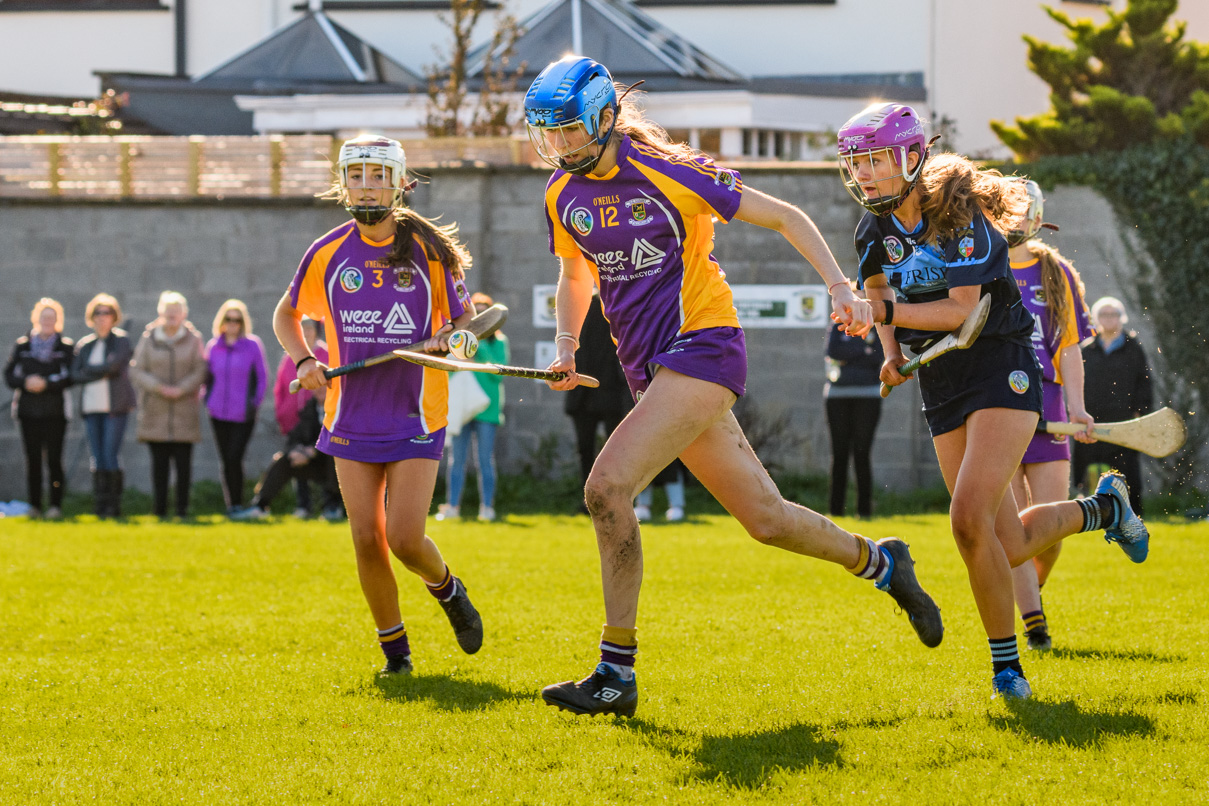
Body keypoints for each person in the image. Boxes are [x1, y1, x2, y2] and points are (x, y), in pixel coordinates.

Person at [526, 56, 943, 719]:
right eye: (548, 134)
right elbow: (576, 276)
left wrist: (839, 286)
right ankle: (882, 562)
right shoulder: (560, 194)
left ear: (606, 118)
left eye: (570, 130)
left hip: (703, 348)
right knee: (766, 520)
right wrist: (567, 346)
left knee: (605, 489)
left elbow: (786, 217)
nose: (560, 146)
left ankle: (615, 671)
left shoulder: (669, 172)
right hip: (649, 370)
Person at [837, 101, 1149, 700]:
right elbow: (875, 288)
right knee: (1003, 542)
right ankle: (1105, 510)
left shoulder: (957, 216)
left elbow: (960, 310)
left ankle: (1006, 669)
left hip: (999, 366)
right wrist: (891, 350)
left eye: (876, 160)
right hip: (941, 378)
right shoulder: (872, 230)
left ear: (908, 157)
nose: (867, 174)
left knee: (965, 519)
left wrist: (879, 313)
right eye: (858, 163)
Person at [276, 134, 483, 677]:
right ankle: (396, 656)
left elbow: (466, 325)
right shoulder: (326, 252)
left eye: (378, 175)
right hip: (350, 414)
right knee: (367, 539)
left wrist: (452, 339)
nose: (366, 185)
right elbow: (286, 316)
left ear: (399, 183)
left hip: (416, 412)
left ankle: (448, 588)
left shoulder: (430, 253)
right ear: (342, 182)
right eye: (357, 174)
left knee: (405, 537)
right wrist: (303, 362)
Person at [1003, 182, 1097, 652]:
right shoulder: (983, 265)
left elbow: (1070, 347)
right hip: (997, 399)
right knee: (1015, 526)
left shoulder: (1054, 271)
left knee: (1050, 532)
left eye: (1021, 214)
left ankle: (1029, 590)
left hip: (1050, 403)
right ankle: (1034, 622)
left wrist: (1077, 407)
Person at [129, 291, 207, 519]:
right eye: (168, 312)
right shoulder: (149, 338)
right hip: (156, 411)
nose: (172, 316)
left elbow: (200, 370)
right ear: (161, 314)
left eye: (176, 312)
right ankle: (159, 510)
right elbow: (137, 370)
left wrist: (182, 389)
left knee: (184, 467)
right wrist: (158, 387)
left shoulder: (194, 340)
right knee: (159, 467)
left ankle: (182, 510)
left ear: (184, 314)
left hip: (184, 412)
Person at [1072, 296, 1152, 515]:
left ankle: (1133, 514)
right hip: (1092, 419)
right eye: (1104, 315)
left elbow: (1144, 382)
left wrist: (1141, 414)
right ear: (1096, 319)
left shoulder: (1133, 348)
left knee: (1127, 470)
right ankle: (1089, 513)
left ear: (1121, 318)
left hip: (1124, 419)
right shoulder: (1087, 349)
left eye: (1113, 314)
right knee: (1084, 466)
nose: (1109, 319)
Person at [438, 292, 509, 522]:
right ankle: (452, 506)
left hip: (487, 409)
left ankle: (487, 508)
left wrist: (478, 346)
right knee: (456, 460)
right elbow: (448, 370)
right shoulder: (459, 340)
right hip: (461, 408)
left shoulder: (499, 342)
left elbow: (498, 374)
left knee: (485, 460)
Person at [5, 298, 74, 519]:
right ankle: (34, 505)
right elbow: (9, 375)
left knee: (54, 460)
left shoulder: (65, 347)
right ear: (37, 319)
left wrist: (46, 384)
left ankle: (55, 506)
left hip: (55, 412)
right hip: (28, 412)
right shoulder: (23, 346)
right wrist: (27, 383)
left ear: (57, 321)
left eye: (51, 318)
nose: (47, 322)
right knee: (33, 461)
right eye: (44, 318)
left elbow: (70, 376)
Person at [564, 291, 630, 515]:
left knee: (606, 451)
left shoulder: (616, 309)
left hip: (606, 392)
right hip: (587, 393)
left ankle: (611, 500)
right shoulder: (579, 311)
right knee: (590, 450)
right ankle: (592, 501)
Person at [231, 384, 341, 521]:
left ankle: (333, 506)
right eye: (317, 386)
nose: (321, 389)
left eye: (325, 386)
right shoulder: (310, 410)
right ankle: (260, 505)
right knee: (283, 460)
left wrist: (313, 451)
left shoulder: (340, 410)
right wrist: (296, 452)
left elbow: (336, 439)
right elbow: (294, 437)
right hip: (315, 464)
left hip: (338, 465)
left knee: (334, 457)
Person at [72, 293, 136, 517]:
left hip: (114, 408)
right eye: (98, 313)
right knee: (97, 457)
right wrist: (99, 371)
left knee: (110, 454)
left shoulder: (121, 341)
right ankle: (100, 506)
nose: (102, 317)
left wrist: (90, 370)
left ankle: (114, 506)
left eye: (106, 313)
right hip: (91, 408)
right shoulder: (86, 345)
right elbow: (74, 375)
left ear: (114, 316)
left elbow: (114, 367)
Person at [204, 299, 269, 513]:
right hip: (218, 414)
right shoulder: (214, 346)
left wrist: (255, 403)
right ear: (222, 322)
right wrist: (207, 400)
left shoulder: (252, 345)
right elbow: (207, 377)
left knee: (235, 457)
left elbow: (261, 377)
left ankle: (238, 503)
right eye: (229, 319)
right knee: (226, 460)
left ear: (243, 323)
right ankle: (232, 505)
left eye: (237, 320)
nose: (233, 324)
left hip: (243, 414)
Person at [824, 307, 886, 518]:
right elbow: (833, 352)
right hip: (837, 397)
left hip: (869, 397)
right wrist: (863, 351)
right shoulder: (837, 327)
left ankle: (864, 511)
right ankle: (835, 511)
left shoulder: (875, 328)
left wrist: (850, 356)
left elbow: (879, 355)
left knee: (862, 453)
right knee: (840, 454)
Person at [272, 316, 329, 517]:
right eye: (301, 329)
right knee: (296, 459)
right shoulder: (289, 357)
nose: (305, 332)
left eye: (309, 328)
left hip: (319, 417)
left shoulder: (326, 354)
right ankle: (303, 505)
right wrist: (281, 413)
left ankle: (329, 505)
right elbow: (280, 388)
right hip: (294, 421)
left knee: (324, 459)